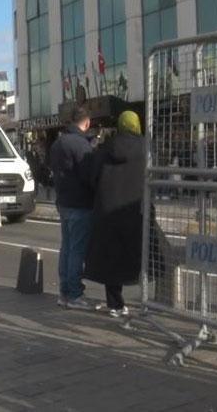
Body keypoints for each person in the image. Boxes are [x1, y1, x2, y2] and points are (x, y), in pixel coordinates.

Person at [84, 111, 147, 318]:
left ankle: (115, 304)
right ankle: (147, 302)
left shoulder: (106, 148)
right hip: (135, 209)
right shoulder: (146, 148)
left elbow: (92, 178)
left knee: (111, 258)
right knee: (141, 253)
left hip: (108, 210)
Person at [49, 106, 98, 310]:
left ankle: (64, 292)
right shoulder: (82, 145)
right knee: (77, 250)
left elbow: (49, 168)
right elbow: (90, 176)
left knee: (67, 248)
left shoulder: (58, 143)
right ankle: (75, 295)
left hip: (63, 201)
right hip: (80, 203)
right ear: (86, 123)